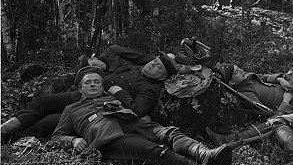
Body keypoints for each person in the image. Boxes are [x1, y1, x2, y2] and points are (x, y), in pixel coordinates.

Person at [52, 66, 232, 165]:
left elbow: (137, 106)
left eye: (97, 82)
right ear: (80, 89)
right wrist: (73, 140)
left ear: (102, 86)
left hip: (133, 122)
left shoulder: (111, 97)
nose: (93, 84)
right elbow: (56, 138)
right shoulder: (71, 109)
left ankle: (205, 154)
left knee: (169, 132)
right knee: (155, 151)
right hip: (110, 137)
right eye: (88, 82)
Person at [1, 50, 177, 145]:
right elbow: (114, 50)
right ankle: (7, 127)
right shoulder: (137, 64)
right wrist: (99, 61)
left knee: (48, 122)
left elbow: (138, 111)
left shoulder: (150, 88)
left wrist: (119, 93)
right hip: (83, 93)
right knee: (43, 102)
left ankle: (10, 139)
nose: (153, 64)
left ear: (162, 77)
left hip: (96, 106)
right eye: (154, 61)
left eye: (158, 67)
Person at [215, 54, 293, 115]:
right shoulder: (246, 94)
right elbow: (267, 115)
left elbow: (263, 77)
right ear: (231, 82)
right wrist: (285, 102)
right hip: (291, 97)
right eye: (236, 72)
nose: (241, 70)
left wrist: (278, 79)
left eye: (238, 68)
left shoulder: (245, 77)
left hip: (287, 81)